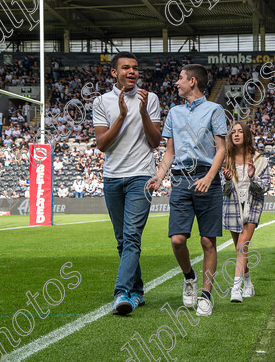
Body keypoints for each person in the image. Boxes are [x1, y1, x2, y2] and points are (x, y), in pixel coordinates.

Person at [148, 64, 227, 317]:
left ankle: (205, 295)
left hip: (208, 180)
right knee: (177, 240)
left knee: (207, 241)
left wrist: (209, 177)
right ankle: (189, 277)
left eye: (180, 78)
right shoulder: (174, 112)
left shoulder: (215, 110)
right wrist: (159, 176)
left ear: (192, 81)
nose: (176, 82)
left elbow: (221, 149)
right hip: (180, 180)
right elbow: (169, 152)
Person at [93, 52, 161, 316]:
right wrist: (121, 115)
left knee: (132, 236)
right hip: (112, 177)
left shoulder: (150, 98)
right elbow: (101, 144)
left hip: (141, 176)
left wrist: (142, 111)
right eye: (126, 68)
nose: (132, 72)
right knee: (123, 240)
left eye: (135, 68)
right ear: (114, 73)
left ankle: (121, 293)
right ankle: (138, 291)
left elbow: (155, 142)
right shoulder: (101, 102)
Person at [222, 122, 270, 303]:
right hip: (232, 206)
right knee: (240, 248)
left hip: (253, 205)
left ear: (247, 135)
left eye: (240, 131)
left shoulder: (258, 159)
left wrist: (252, 177)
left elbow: (265, 187)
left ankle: (236, 289)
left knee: (242, 246)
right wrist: (227, 180)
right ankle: (248, 282)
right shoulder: (225, 159)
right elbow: (223, 191)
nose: (236, 134)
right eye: (233, 132)